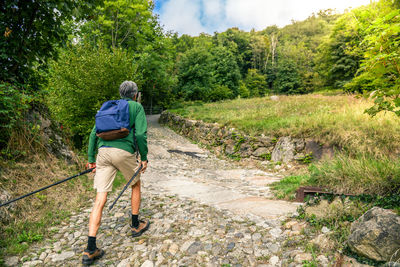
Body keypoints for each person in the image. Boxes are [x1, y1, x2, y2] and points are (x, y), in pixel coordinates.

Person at [82, 81, 149, 265]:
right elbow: (141, 135)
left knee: (100, 198)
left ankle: (90, 249)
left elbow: (93, 134)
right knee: (135, 183)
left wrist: (91, 159)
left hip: (103, 153)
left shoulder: (108, 107)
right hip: (124, 152)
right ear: (135, 94)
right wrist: (144, 157)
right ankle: (136, 226)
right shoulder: (136, 107)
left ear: (120, 93)